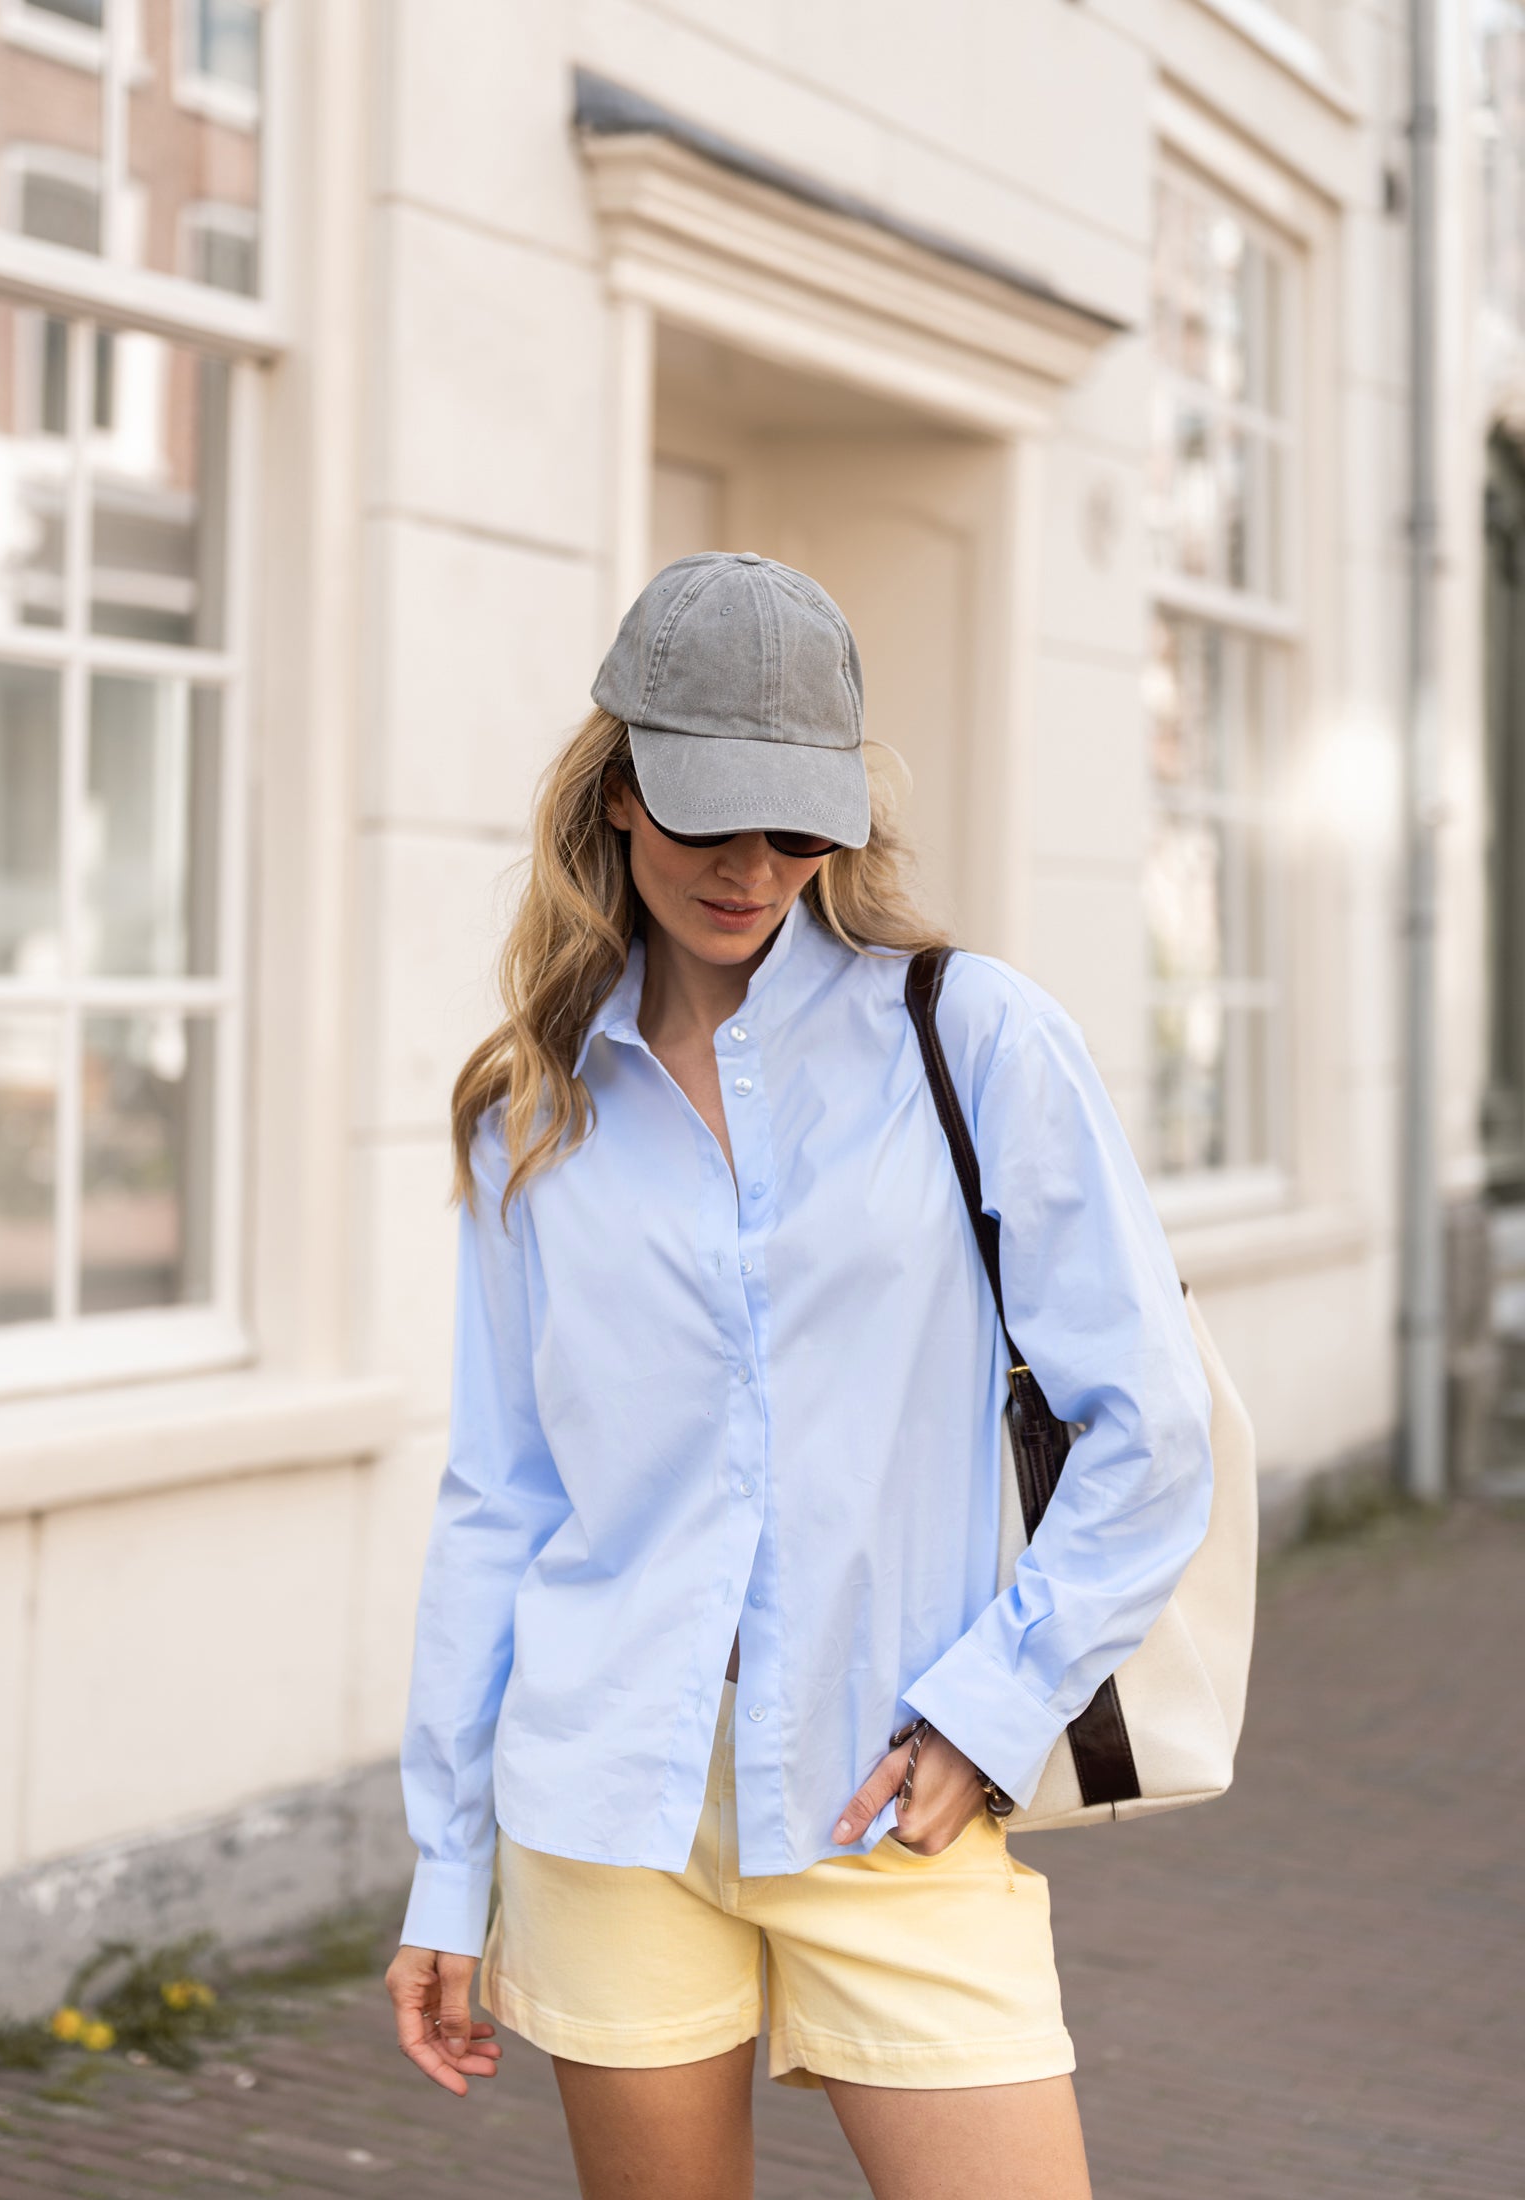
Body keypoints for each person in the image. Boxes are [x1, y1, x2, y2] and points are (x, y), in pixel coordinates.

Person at [385, 552, 1213, 2200]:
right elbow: (504, 1497)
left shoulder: (973, 1041)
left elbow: (1152, 1433)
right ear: (617, 792)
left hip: (887, 1787)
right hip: (606, 1797)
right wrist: (442, 1864)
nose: (754, 868)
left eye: (797, 825)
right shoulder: (532, 1110)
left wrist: (988, 1718)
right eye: (708, 817)